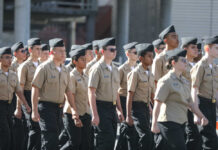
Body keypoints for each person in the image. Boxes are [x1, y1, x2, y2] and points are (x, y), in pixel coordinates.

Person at [151, 50, 208, 150]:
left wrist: (202, 117)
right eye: (182, 60)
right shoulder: (165, 81)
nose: (185, 62)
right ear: (173, 62)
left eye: (185, 60)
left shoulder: (185, 81)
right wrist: (154, 124)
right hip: (168, 123)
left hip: (181, 123)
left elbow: (191, 104)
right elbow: (157, 103)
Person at [31, 38, 79, 150]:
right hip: (46, 107)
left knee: (55, 138)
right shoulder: (44, 68)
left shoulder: (65, 70)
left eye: (64, 51)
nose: (64, 54)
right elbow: (35, 88)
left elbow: (68, 91)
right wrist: (34, 111)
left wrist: (74, 110)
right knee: (50, 138)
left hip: (58, 109)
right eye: (60, 51)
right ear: (52, 52)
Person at [88, 37, 124, 150]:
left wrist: (119, 110)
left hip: (112, 108)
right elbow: (91, 92)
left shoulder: (115, 69)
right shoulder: (97, 69)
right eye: (111, 50)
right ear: (102, 51)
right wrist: (94, 114)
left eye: (115, 50)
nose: (114, 52)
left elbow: (116, 92)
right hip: (101, 108)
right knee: (105, 140)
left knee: (112, 139)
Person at [0, 47, 30, 150]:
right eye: (6, 57)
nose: (10, 60)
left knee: (11, 133)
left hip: (9, 106)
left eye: (11, 57)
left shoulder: (13, 74)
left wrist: (26, 105)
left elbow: (18, 91)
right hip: (0, 106)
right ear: (0, 59)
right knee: (5, 133)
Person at [190, 36, 218, 150]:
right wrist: (196, 113)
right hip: (202, 105)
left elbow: (216, 91)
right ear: (208, 49)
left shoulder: (215, 67)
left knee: (212, 140)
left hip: (211, 105)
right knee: (209, 140)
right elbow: (194, 90)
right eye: (216, 48)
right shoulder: (200, 66)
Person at [61, 47, 91, 150]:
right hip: (73, 114)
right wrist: (75, 115)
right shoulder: (72, 76)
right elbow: (70, 95)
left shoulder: (86, 76)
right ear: (75, 61)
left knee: (85, 143)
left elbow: (87, 96)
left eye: (85, 59)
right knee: (74, 143)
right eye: (82, 59)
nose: (85, 62)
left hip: (85, 113)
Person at [126, 43, 154, 150]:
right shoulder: (135, 73)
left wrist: (155, 110)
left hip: (146, 108)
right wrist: (128, 115)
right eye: (149, 56)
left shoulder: (150, 74)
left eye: (152, 56)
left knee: (142, 136)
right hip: (137, 109)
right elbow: (130, 94)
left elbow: (152, 95)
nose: (152, 59)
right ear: (141, 58)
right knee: (146, 136)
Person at [17, 38, 42, 150]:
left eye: (40, 49)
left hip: (41, 99)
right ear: (30, 50)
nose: (39, 51)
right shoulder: (24, 66)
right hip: (27, 97)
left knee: (41, 129)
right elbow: (20, 89)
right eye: (37, 49)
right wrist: (20, 107)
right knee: (34, 128)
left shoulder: (42, 65)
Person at [114, 42, 138, 150]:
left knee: (134, 131)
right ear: (128, 54)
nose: (137, 54)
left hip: (136, 102)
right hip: (124, 101)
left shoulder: (139, 68)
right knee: (126, 129)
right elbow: (115, 90)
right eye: (135, 52)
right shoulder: (122, 69)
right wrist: (118, 109)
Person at [181, 37, 202, 150]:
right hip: (187, 105)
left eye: (196, 47)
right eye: (192, 47)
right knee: (192, 135)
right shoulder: (182, 65)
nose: (196, 50)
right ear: (185, 49)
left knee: (199, 136)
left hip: (200, 103)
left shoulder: (197, 65)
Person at [10, 42, 28, 150]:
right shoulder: (11, 66)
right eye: (22, 51)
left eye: (25, 50)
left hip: (23, 98)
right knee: (15, 126)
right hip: (12, 98)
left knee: (23, 127)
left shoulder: (25, 65)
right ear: (15, 53)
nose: (25, 53)